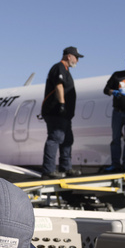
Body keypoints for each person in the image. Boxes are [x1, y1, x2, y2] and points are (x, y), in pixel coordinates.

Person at [41, 46, 83, 179]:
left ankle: (66, 167)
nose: (77, 61)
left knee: (67, 140)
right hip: (56, 112)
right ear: (69, 56)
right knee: (55, 138)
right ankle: (48, 170)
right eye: (76, 57)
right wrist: (62, 104)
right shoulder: (58, 67)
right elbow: (59, 86)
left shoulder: (66, 70)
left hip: (65, 115)